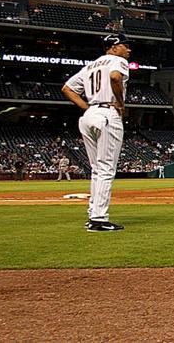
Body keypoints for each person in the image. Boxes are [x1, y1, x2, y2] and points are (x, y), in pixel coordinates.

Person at [62, 32, 132, 231]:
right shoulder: (117, 61)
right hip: (108, 114)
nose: (129, 49)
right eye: (125, 45)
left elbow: (67, 89)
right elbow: (114, 77)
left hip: (90, 114)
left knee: (97, 169)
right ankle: (99, 219)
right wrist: (120, 103)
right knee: (106, 169)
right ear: (114, 47)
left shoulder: (90, 65)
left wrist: (87, 108)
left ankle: (94, 214)